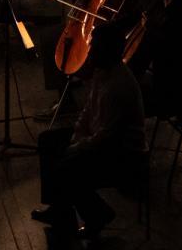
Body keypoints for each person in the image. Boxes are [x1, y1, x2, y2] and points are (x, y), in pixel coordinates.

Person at [29, 23, 144, 238]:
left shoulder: (119, 86)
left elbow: (107, 137)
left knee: (67, 165)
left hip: (123, 153)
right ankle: (59, 209)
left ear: (107, 50)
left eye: (94, 47)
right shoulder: (103, 73)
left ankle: (98, 214)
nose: (89, 51)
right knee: (48, 141)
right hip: (99, 139)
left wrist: (77, 146)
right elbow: (88, 111)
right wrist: (77, 136)